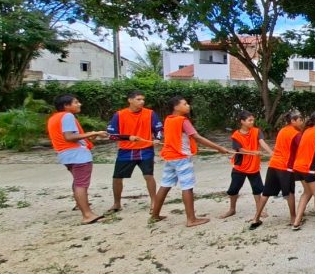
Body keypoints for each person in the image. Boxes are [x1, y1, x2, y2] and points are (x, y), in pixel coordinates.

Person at [150, 96, 232, 227]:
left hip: (169, 157)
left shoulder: (168, 120)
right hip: (182, 158)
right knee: (187, 187)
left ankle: (155, 215)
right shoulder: (183, 121)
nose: (188, 106)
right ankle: (191, 219)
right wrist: (219, 148)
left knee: (165, 185)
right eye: (185, 104)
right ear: (176, 107)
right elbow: (197, 137)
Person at [47, 94, 109, 224]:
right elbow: (69, 137)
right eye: (76, 102)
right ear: (66, 106)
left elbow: (71, 136)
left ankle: (79, 204)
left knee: (77, 181)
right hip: (77, 155)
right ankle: (87, 215)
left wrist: (87, 136)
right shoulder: (68, 116)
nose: (79, 104)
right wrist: (94, 133)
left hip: (65, 154)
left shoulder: (54, 118)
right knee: (81, 184)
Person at [105, 90, 163, 212]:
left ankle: (153, 202)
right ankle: (117, 203)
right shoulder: (119, 115)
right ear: (130, 100)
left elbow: (158, 128)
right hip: (126, 151)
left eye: (143, 99)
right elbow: (111, 135)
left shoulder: (150, 113)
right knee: (117, 178)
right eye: (138, 99)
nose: (142, 102)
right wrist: (128, 137)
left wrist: (157, 138)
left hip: (145, 149)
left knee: (149, 176)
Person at [249, 110, 305, 229]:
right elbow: (303, 148)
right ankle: (293, 218)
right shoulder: (296, 134)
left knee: (266, 193)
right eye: (300, 120)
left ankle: (256, 219)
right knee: (289, 192)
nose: (302, 122)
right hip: (285, 166)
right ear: (293, 121)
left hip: (274, 164)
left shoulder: (282, 130)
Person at [221, 110, 273, 219]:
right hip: (240, 166)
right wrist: (254, 152)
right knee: (233, 189)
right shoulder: (236, 135)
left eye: (253, 120)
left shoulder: (256, 131)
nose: (252, 122)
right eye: (250, 120)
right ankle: (232, 209)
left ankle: (260, 209)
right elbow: (240, 149)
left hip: (253, 166)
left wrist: (271, 153)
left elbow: (262, 142)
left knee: (257, 189)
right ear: (242, 121)